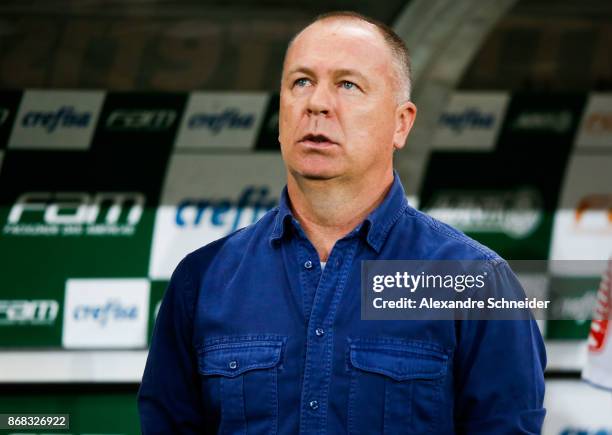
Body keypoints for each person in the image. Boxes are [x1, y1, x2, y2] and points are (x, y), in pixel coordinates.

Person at [138, 11, 546, 434]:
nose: (316, 103)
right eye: (301, 82)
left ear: (401, 123)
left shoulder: (475, 282)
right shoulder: (202, 280)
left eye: (348, 85)